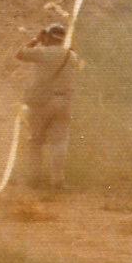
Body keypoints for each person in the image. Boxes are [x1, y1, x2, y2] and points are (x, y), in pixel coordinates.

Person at [16, 23, 82, 189]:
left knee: (35, 141)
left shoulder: (42, 53)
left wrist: (36, 39)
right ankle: (57, 180)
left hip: (41, 102)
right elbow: (77, 60)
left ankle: (34, 179)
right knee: (60, 142)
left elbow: (20, 54)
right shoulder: (70, 56)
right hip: (63, 102)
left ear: (49, 37)